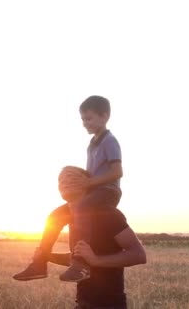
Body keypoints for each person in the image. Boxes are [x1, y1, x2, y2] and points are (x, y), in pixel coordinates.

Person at [13, 95, 123, 282]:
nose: (84, 123)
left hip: (108, 192)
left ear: (104, 116)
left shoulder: (109, 141)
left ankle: (80, 265)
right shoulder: (92, 144)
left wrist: (87, 183)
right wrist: (79, 181)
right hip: (93, 191)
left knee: (80, 209)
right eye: (82, 119)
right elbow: (92, 173)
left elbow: (117, 171)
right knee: (55, 216)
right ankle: (39, 264)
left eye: (88, 118)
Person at [48, 208, 146, 309]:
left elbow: (138, 255)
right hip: (82, 303)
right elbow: (79, 258)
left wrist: (96, 260)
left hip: (108, 304)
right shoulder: (76, 216)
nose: (64, 192)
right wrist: (47, 256)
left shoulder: (108, 213)